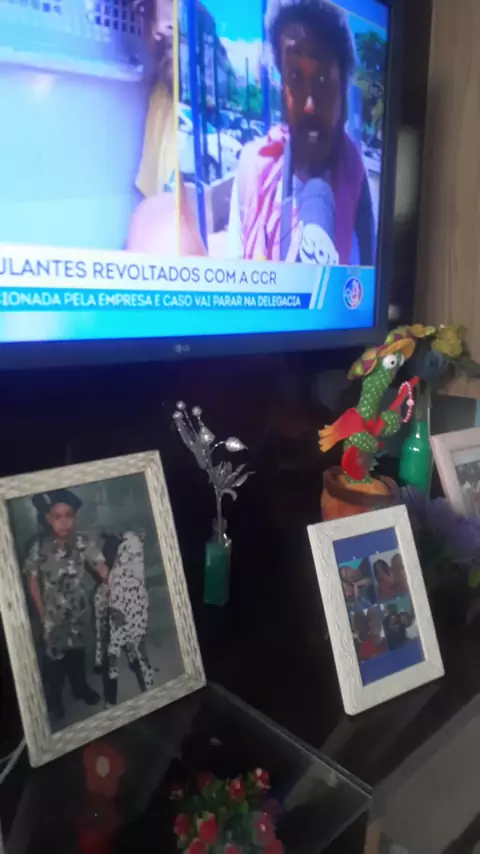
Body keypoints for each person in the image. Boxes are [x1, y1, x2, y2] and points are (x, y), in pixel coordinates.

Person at [227, 0, 375, 264]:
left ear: (342, 87)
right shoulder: (253, 169)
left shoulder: (358, 184)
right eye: (295, 75)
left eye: (322, 80)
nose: (309, 105)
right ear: (282, 84)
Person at [23, 490, 109, 722]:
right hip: (52, 615)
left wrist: (116, 582)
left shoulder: (82, 542)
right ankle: (55, 700)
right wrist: (42, 612)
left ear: (75, 517)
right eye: (57, 516)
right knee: (54, 660)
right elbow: (32, 580)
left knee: (77, 653)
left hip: (78, 612)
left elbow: (101, 567)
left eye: (69, 515)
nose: (64, 522)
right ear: (48, 519)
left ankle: (80, 687)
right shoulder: (38, 546)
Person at [94, 531, 153, 707]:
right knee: (127, 650)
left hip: (128, 613)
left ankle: (113, 700)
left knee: (119, 651)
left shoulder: (125, 572)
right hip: (126, 612)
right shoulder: (134, 566)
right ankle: (146, 689)